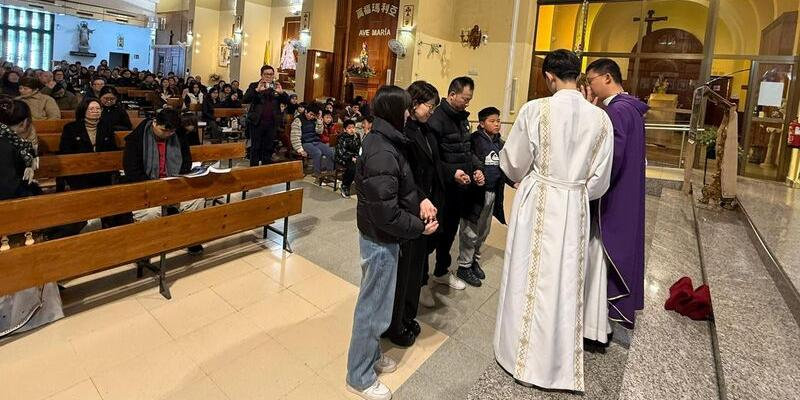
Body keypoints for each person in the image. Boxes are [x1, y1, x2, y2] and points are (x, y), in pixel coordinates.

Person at [493, 49, 614, 392]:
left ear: (549, 77)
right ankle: (556, 364)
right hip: (574, 203)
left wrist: (535, 178)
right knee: (563, 280)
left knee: (527, 276)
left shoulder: (535, 110)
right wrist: (574, 192)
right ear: (578, 75)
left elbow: (514, 163)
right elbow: (600, 180)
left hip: (539, 199)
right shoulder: (600, 118)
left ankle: (519, 355)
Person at [346, 85, 438, 400]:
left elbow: (399, 188)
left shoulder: (386, 140)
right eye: (405, 108)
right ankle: (358, 375)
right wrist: (419, 228)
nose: (409, 112)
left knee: (380, 306)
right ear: (393, 111)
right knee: (372, 310)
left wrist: (421, 201)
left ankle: (370, 358)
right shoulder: (382, 149)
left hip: (382, 235)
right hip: (381, 237)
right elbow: (385, 213)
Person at [582, 58, 648, 335]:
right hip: (627, 190)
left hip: (614, 192)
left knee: (601, 252)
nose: (590, 86)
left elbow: (611, 157)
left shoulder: (617, 112)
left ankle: (595, 321)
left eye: (591, 80)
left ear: (607, 78)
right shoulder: (630, 107)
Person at [383, 81, 444, 346]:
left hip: (425, 206)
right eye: (429, 105)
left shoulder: (425, 129)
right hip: (411, 206)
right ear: (414, 103)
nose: (431, 111)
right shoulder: (403, 133)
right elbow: (406, 175)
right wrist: (421, 198)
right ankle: (396, 324)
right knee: (404, 270)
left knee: (416, 266)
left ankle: (407, 316)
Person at [0, 96, 63, 337]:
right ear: (26, 123)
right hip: (11, 213)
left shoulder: (9, 141)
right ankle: (20, 316)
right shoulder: (10, 145)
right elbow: (7, 188)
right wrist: (31, 189)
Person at [122, 108, 204, 257]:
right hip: (146, 187)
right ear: (155, 123)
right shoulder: (136, 139)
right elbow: (132, 172)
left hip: (173, 184)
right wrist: (157, 185)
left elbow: (186, 161)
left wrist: (178, 176)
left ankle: (191, 239)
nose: (168, 135)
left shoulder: (177, 136)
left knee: (196, 201)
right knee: (150, 212)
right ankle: (147, 248)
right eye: (164, 131)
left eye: (171, 132)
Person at [427, 76, 483, 289]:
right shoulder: (436, 120)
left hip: (460, 188)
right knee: (433, 235)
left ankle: (441, 271)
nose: (467, 103)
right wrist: (452, 173)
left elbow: (466, 151)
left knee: (450, 232)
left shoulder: (462, 119)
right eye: (465, 98)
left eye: (470, 99)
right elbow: (431, 159)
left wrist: (476, 168)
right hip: (440, 189)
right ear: (451, 95)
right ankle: (421, 282)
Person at [457, 107, 511, 285]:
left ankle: (474, 261)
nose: (497, 124)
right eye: (492, 121)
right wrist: (476, 171)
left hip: (492, 193)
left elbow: (505, 168)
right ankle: (464, 266)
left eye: (498, 121)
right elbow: (471, 159)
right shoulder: (474, 141)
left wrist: (514, 182)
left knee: (483, 230)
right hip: (475, 194)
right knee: (470, 230)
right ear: (481, 123)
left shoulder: (500, 144)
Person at [243, 65, 288, 166]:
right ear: (261, 75)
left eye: (271, 74)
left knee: (268, 148)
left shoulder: (276, 86)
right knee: (255, 148)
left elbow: (288, 102)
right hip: (257, 122)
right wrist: (257, 91)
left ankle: (265, 171)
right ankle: (253, 170)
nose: (269, 76)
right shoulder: (254, 85)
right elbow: (245, 99)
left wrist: (281, 93)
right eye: (266, 74)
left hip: (271, 123)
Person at [291, 103, 334, 179]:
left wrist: (319, 121)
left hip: (315, 141)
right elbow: (295, 137)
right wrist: (300, 150)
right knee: (317, 152)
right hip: (305, 142)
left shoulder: (314, 119)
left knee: (330, 151)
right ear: (306, 111)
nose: (311, 117)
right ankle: (317, 174)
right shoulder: (298, 120)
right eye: (310, 114)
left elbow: (319, 132)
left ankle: (330, 174)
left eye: (314, 115)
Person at [334, 119, 360, 198]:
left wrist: (358, 156)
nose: (352, 129)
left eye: (353, 127)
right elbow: (341, 153)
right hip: (343, 158)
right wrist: (352, 157)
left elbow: (359, 148)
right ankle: (345, 185)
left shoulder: (357, 136)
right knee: (353, 167)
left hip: (354, 157)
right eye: (349, 128)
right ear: (345, 129)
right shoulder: (341, 138)